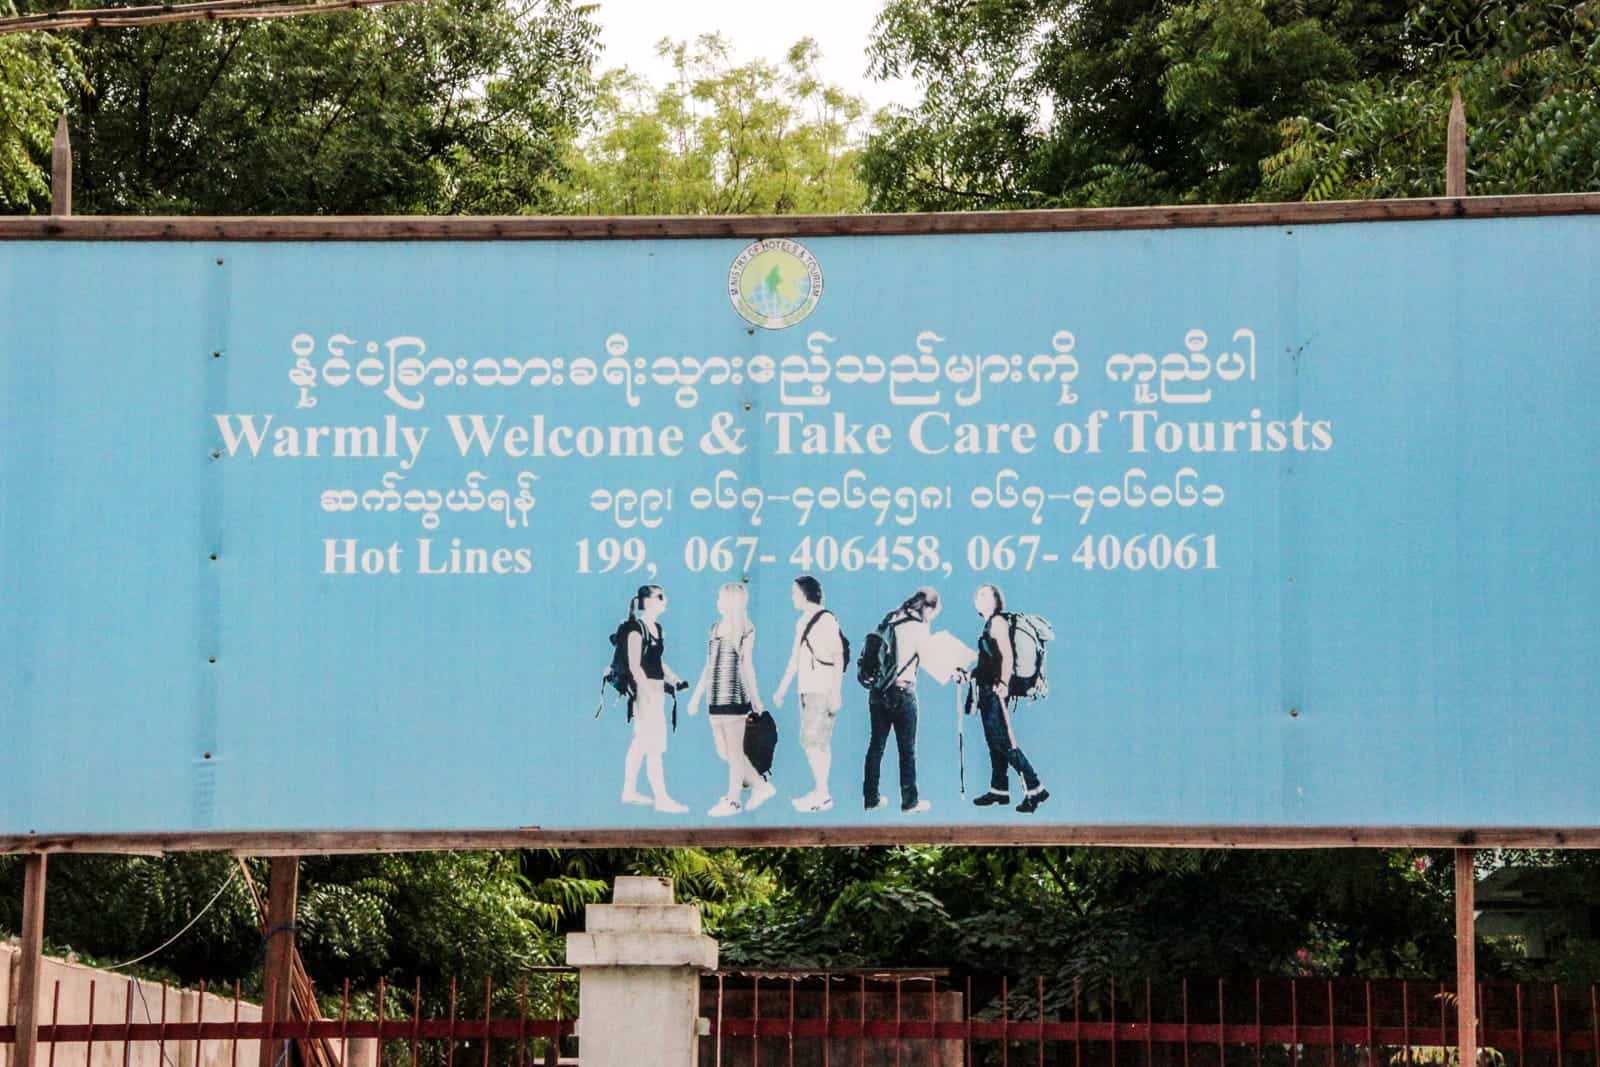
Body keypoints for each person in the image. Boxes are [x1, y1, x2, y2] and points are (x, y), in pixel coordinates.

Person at [686, 582, 775, 816]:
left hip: (734, 697)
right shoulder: (715, 628)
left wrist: (755, 699)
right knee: (723, 750)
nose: (717, 602)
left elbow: (747, 667)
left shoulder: (745, 629)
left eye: (720, 598)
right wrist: (696, 697)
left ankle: (734, 799)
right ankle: (760, 785)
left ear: (730, 601)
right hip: (714, 697)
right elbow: (708, 666)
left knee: (734, 751)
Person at [967, 583, 1049, 813]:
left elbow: (1007, 655)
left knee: (1005, 743)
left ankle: (1035, 789)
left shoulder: (998, 622)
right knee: (995, 744)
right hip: (986, 689)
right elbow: (989, 661)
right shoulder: (989, 624)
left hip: (994, 691)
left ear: (995, 600)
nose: (978, 597)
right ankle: (999, 790)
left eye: (983, 594)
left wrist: (1003, 683)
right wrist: (969, 673)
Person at [863, 587, 939, 814]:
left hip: (877, 693)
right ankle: (909, 802)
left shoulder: (890, 619)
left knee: (876, 746)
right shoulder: (918, 628)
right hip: (902, 693)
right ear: (927, 607)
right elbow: (930, 661)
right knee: (907, 750)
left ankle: (871, 799)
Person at [773, 575, 845, 812]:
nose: (792, 597)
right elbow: (795, 659)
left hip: (820, 689)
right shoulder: (803, 621)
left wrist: (836, 693)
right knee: (817, 743)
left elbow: (838, 656)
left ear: (805, 594)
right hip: (807, 688)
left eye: (794, 592)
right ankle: (821, 791)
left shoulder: (825, 620)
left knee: (813, 742)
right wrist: (782, 688)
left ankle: (822, 793)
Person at [618, 585, 689, 813]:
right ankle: (661, 798)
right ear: (648, 602)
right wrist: (647, 693)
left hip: (656, 690)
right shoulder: (635, 630)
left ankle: (629, 791)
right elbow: (634, 666)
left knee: (640, 743)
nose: (664, 601)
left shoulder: (656, 628)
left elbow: (658, 662)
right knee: (655, 747)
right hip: (646, 692)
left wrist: (675, 679)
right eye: (660, 597)